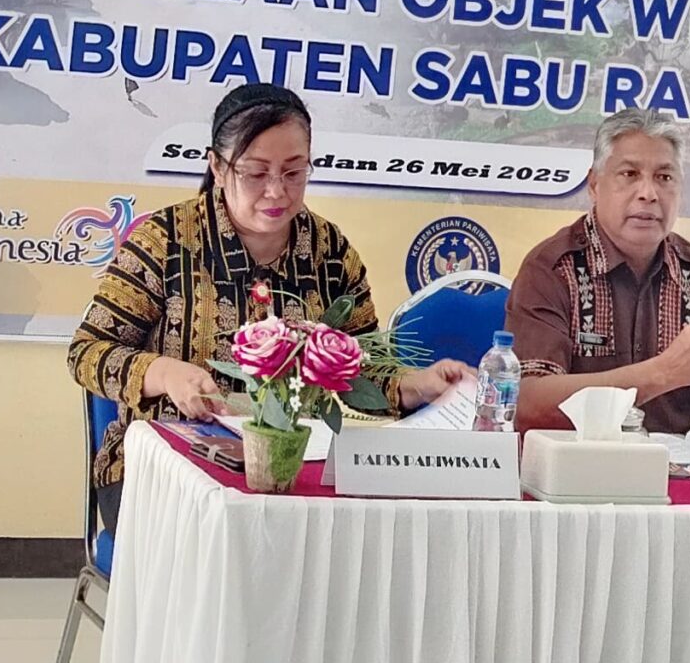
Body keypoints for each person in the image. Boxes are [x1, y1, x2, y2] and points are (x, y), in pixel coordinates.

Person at [66, 83, 466, 522]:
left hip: (286, 471)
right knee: (234, 546)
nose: (277, 191)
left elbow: (360, 368)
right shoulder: (164, 242)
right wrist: (164, 373)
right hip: (163, 471)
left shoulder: (329, 251)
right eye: (256, 174)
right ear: (218, 168)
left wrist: (418, 385)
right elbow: (87, 353)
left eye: (293, 173)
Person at [509, 115, 690, 439]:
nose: (648, 193)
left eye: (664, 177)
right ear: (594, 185)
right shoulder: (553, 269)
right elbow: (527, 403)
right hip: (573, 460)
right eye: (629, 174)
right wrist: (663, 372)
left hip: (674, 465)